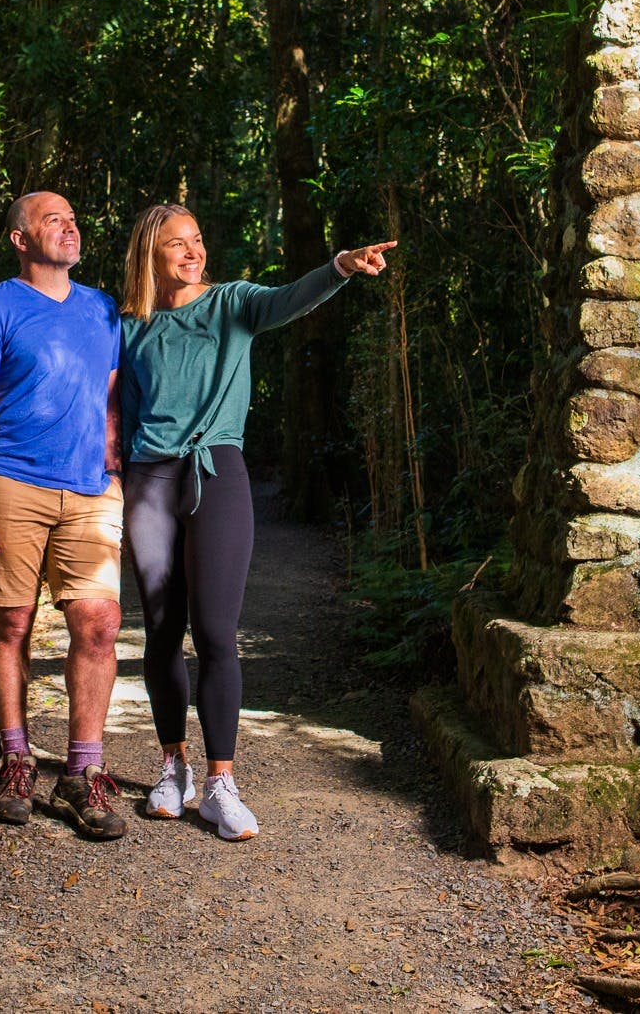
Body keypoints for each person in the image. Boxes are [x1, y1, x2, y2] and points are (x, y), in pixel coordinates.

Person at [119, 203, 394, 840]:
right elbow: (120, 409)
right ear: (149, 255)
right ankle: (172, 768)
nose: (193, 253)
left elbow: (289, 299)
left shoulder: (233, 302)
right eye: (177, 245)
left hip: (216, 471)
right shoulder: (127, 324)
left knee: (216, 630)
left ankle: (220, 783)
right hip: (150, 479)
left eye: (197, 240)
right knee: (161, 630)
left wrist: (340, 268)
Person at [0, 192, 128, 841]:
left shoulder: (102, 307)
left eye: (74, 217)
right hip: (10, 484)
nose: (70, 226)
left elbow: (109, 392)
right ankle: (16, 754)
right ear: (21, 239)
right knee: (12, 620)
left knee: (99, 622)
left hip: (89, 490)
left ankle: (83, 770)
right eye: (54, 219)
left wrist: (112, 454)